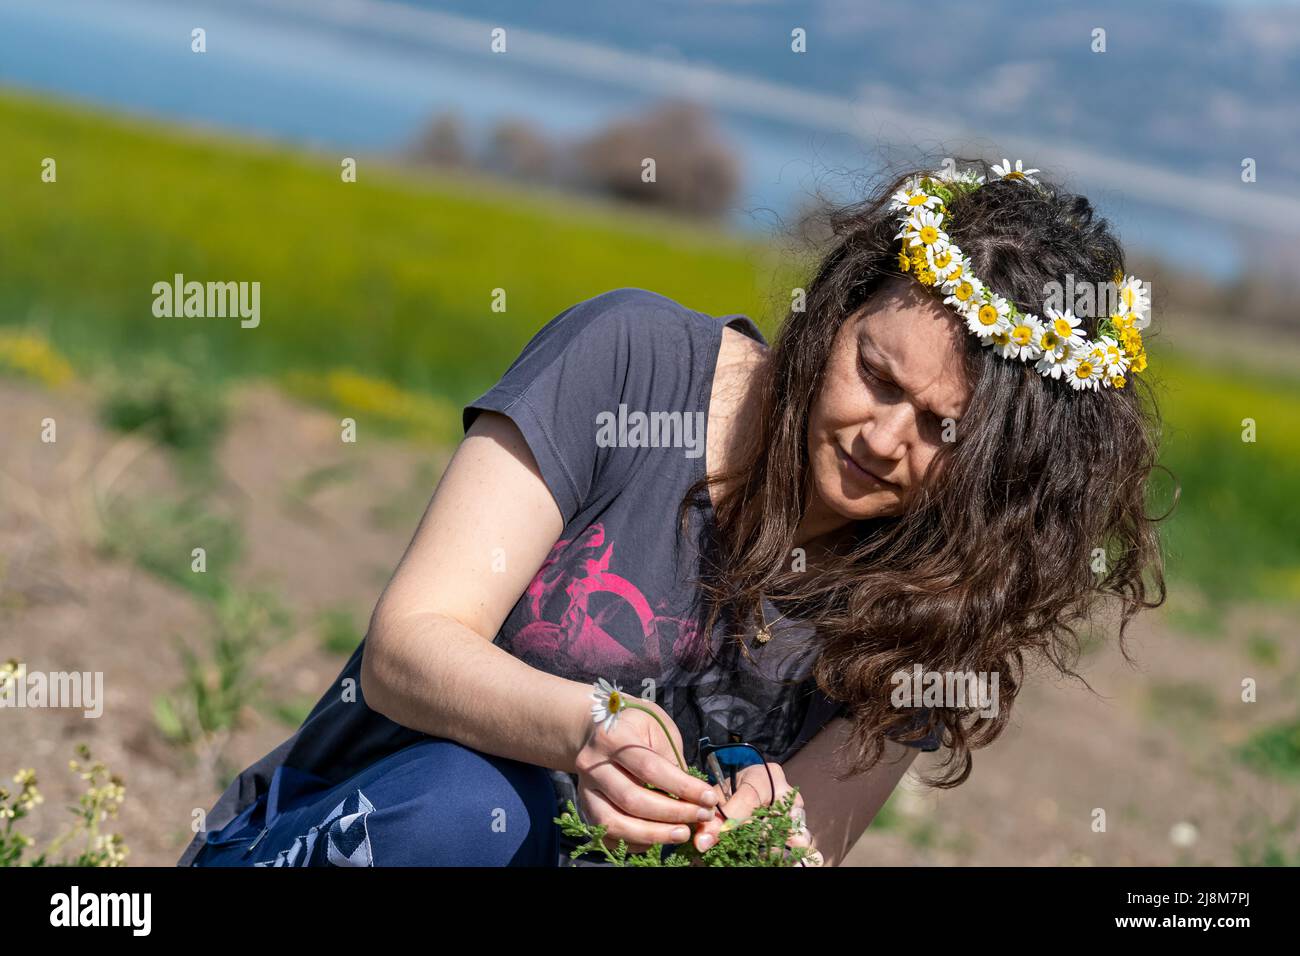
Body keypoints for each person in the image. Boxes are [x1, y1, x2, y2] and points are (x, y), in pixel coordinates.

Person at [180, 157, 1165, 868]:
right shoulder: (627, 361)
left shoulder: (946, 596)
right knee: (468, 807)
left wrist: (771, 828)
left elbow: (802, 841)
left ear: (1004, 473)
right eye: (874, 374)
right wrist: (591, 725)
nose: (882, 436)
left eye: (943, 430)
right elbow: (405, 653)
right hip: (345, 835)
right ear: (834, 314)